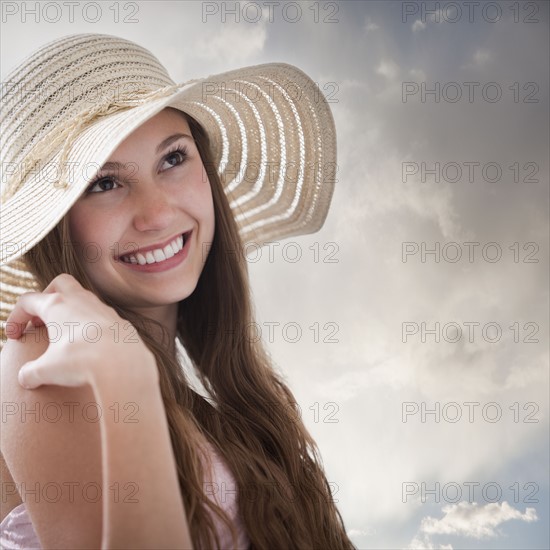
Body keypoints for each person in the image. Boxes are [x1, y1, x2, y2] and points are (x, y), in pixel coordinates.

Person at [0, 33, 353, 549]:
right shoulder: (44, 363)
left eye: (173, 159)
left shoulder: (223, 410)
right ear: (56, 228)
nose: (158, 213)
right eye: (103, 183)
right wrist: (128, 378)